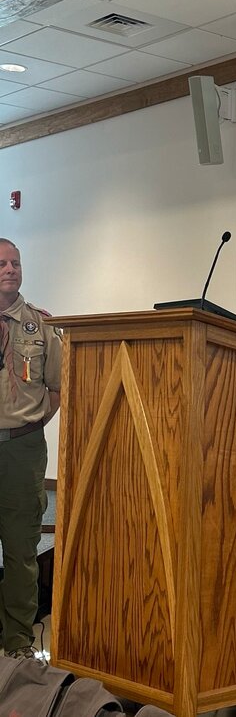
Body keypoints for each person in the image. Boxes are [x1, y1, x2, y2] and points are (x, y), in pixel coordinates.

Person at [0, 238, 62, 660]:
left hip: (21, 450)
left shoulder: (38, 324)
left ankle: (18, 642)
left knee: (22, 549)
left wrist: (33, 423)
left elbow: (57, 387)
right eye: (2, 263)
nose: (10, 269)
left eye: (16, 263)